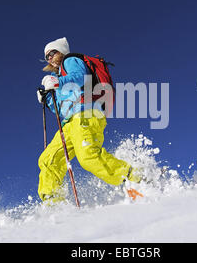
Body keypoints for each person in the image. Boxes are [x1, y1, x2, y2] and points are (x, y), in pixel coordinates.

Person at [36, 37, 141, 203]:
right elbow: (59, 107)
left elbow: (81, 77)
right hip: (69, 123)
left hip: (86, 113)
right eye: (46, 56)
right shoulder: (58, 75)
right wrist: (47, 99)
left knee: (88, 156)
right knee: (48, 159)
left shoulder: (70, 61)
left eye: (52, 53)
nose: (49, 58)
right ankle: (52, 202)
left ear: (61, 51)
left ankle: (138, 178)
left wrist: (58, 82)